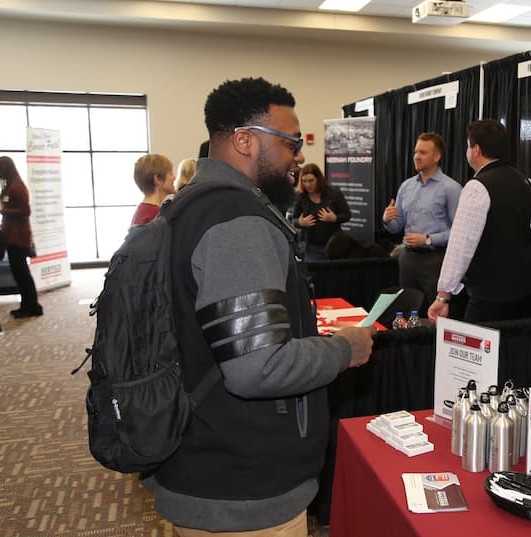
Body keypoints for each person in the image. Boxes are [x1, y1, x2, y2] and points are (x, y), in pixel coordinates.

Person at [141, 77, 375, 536]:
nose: (300, 155)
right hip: (242, 491)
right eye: (290, 142)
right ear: (245, 140)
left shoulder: (188, 205)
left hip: (205, 460)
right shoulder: (238, 224)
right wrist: (343, 349)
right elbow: (257, 369)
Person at [428, 120, 531, 323]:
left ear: (475, 149)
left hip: (489, 294)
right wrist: (527, 230)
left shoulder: (477, 187)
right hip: (524, 288)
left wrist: (444, 295)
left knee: (479, 350)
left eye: (468, 145)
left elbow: (460, 246)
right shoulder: (522, 179)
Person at [383, 132, 461, 316]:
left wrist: (427, 239)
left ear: (437, 156)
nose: (417, 156)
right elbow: (397, 226)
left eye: (423, 152)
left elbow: (459, 233)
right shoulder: (406, 186)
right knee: (407, 313)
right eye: (416, 152)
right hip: (407, 259)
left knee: (436, 317)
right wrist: (387, 219)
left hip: (435, 261)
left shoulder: (451, 188)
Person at [0, 156, 43, 319]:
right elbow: (10, 205)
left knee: (22, 274)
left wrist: (2, 210)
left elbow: (25, 211)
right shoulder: (10, 186)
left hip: (18, 238)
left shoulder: (17, 187)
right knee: (20, 274)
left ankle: (32, 306)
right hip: (12, 236)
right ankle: (27, 305)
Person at [292, 163, 351, 261]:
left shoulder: (334, 192)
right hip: (311, 247)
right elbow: (293, 220)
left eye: (311, 181)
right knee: (314, 275)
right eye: (304, 181)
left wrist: (335, 218)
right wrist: (300, 222)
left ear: (318, 179)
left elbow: (347, 215)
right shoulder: (300, 196)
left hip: (334, 246)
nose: (307, 184)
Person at [130, 153, 175, 225]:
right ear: (157, 179)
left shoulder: (144, 211)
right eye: (170, 173)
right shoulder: (154, 216)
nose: (174, 177)